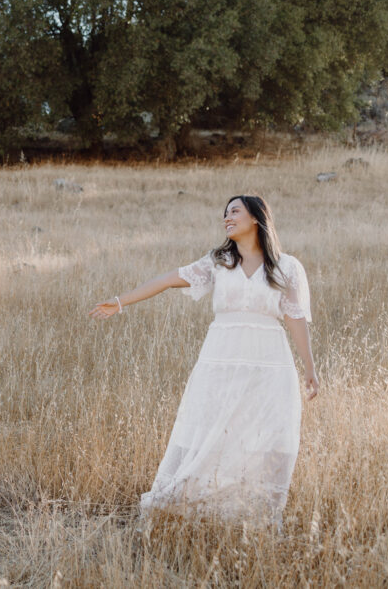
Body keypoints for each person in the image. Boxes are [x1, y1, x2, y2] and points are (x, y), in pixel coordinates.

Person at [89, 195, 319, 526]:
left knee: (262, 434)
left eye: (235, 211)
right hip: (220, 360)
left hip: (269, 363)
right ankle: (195, 502)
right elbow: (168, 279)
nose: (227, 217)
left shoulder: (287, 266)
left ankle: (253, 514)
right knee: (213, 429)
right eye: (225, 213)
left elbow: (296, 317)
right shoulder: (218, 262)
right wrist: (120, 301)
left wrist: (309, 368)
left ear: (256, 218)